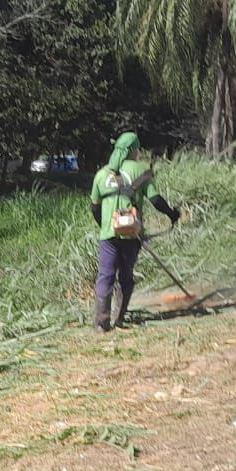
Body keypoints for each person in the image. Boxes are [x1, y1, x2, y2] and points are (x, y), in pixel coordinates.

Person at [89, 132, 180, 333]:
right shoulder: (141, 170)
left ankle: (101, 324)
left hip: (107, 236)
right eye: (138, 149)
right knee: (126, 275)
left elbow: (94, 207)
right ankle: (119, 317)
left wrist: (105, 225)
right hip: (132, 235)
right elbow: (156, 200)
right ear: (134, 150)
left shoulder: (102, 174)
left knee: (105, 276)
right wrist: (172, 214)